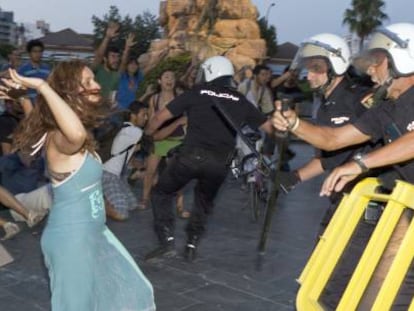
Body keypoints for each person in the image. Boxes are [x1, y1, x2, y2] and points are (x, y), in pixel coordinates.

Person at [272, 23, 414, 310]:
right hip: (400, 208)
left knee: (389, 293)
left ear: (403, 59)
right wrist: (295, 124)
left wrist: (360, 164)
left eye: (377, 61)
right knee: (372, 290)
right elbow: (334, 139)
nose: (370, 70)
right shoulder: (386, 107)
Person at [7, 61, 155, 310]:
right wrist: (43, 87)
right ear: (67, 93)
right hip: (72, 240)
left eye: (93, 80)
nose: (97, 85)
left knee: (131, 292)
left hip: (94, 236)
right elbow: (74, 136)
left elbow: (42, 120)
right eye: (87, 82)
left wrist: (24, 99)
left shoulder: (60, 129)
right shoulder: (63, 137)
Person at [144, 56, 274, 262]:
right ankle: (191, 244)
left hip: (190, 157)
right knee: (203, 202)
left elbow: (160, 117)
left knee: (161, 192)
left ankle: (166, 241)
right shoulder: (240, 100)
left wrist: (148, 133)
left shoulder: (196, 92)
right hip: (220, 163)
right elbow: (270, 128)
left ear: (210, 72)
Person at [277, 33, 376, 232]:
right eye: (309, 69)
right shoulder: (326, 107)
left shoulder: (361, 99)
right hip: (345, 198)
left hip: (367, 201)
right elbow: (329, 157)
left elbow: (332, 141)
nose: (309, 75)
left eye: (316, 69)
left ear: (336, 66)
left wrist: (295, 124)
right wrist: (293, 178)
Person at [141, 69, 188, 219]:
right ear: (160, 81)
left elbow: (186, 119)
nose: (170, 80)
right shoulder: (154, 99)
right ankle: (144, 199)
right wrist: (148, 137)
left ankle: (180, 207)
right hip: (159, 139)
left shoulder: (179, 98)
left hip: (176, 140)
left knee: (177, 175)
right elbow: (151, 121)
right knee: (150, 171)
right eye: (166, 77)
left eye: (172, 77)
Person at [102, 101, 148, 221]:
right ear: (133, 115)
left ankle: (104, 196)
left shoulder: (125, 128)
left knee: (132, 205)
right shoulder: (133, 131)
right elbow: (153, 139)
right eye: (144, 115)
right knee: (121, 213)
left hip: (117, 176)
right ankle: (96, 204)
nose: (146, 118)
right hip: (108, 175)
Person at [17, 39, 51, 103]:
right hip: (29, 106)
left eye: (40, 51)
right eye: (34, 51)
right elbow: (19, 90)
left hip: (45, 105)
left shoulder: (47, 69)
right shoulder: (22, 70)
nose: (37, 54)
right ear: (29, 53)